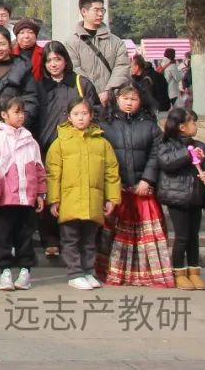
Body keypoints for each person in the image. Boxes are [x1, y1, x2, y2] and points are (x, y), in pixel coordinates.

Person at [95, 85, 172, 287]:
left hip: (143, 191)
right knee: (115, 235)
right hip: (117, 190)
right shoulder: (105, 125)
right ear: (116, 99)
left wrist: (147, 179)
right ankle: (114, 272)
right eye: (125, 98)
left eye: (134, 99)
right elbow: (102, 157)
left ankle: (149, 273)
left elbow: (156, 155)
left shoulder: (150, 126)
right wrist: (113, 182)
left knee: (147, 235)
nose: (129, 103)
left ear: (141, 101)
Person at [45, 99, 121, 290]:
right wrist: (54, 200)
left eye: (84, 114)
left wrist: (112, 198)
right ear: (69, 118)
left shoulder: (102, 143)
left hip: (93, 200)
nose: (81, 118)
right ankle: (75, 273)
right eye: (76, 114)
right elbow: (52, 174)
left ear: (91, 116)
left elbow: (111, 172)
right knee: (70, 239)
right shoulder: (60, 143)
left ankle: (89, 270)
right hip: (69, 200)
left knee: (89, 239)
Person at [36, 41, 102, 258]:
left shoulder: (80, 83)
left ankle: (77, 241)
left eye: (57, 59)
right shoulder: (40, 86)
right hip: (48, 147)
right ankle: (51, 239)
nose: (53, 64)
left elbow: (97, 112)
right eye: (49, 60)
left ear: (65, 60)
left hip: (78, 146)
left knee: (74, 193)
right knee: (49, 193)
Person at [0, 96, 46, 291]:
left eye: (22, 112)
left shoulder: (30, 139)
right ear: (4, 114)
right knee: (3, 236)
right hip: (4, 199)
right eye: (16, 112)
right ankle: (5, 272)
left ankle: (25, 271)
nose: (21, 116)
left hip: (26, 197)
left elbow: (38, 168)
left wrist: (41, 193)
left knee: (25, 235)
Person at [157, 107, 205, 290]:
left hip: (197, 197)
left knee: (194, 236)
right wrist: (187, 154)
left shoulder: (201, 146)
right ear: (182, 126)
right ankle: (179, 271)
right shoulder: (166, 144)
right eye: (193, 123)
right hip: (177, 198)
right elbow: (166, 163)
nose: (195, 126)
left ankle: (194, 271)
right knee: (182, 236)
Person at [64, 0, 130, 107]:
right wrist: (92, 92)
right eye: (96, 10)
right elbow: (74, 69)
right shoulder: (71, 43)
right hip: (83, 102)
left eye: (102, 10)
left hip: (111, 102)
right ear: (84, 11)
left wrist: (108, 91)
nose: (100, 14)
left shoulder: (116, 42)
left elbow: (122, 67)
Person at [0, 25, 40, 133]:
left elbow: (30, 100)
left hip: (15, 129)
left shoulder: (22, 67)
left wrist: (19, 124)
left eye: (2, 44)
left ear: (9, 45)